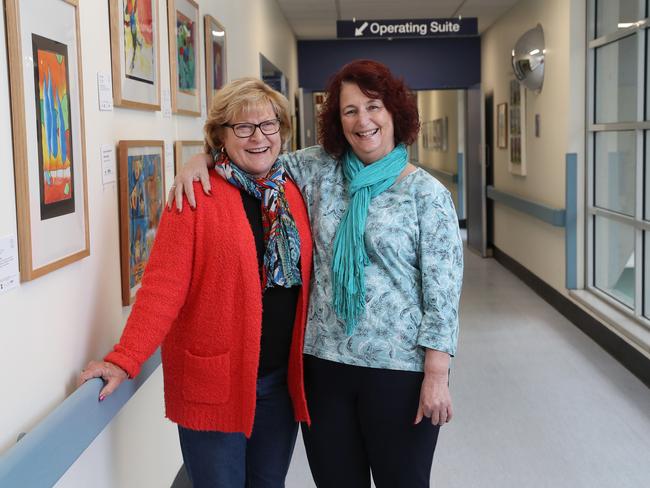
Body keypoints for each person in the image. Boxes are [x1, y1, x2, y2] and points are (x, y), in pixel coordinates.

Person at [170, 60, 463, 488]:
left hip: (399, 372)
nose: (363, 120)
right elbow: (252, 154)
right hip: (323, 369)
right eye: (349, 110)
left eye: (373, 106)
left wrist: (437, 375)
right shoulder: (315, 169)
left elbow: (443, 294)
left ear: (394, 112)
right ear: (336, 120)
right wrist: (201, 159)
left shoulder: (427, 194)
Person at [78, 78, 314, 488]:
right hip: (215, 382)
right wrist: (124, 357)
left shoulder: (291, 192)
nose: (259, 137)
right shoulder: (195, 196)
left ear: (283, 129)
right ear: (219, 137)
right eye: (243, 127)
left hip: (279, 386)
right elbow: (162, 287)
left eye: (269, 124)